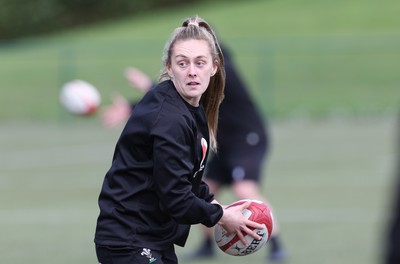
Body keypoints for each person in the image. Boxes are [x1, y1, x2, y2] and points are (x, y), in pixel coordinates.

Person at [94, 16, 265, 264]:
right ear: (169, 68)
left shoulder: (190, 109)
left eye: (200, 62)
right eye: (182, 63)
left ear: (214, 67)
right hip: (129, 240)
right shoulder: (169, 118)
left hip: (153, 238)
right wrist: (222, 216)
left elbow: (188, 181)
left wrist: (221, 209)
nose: (192, 71)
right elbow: (176, 198)